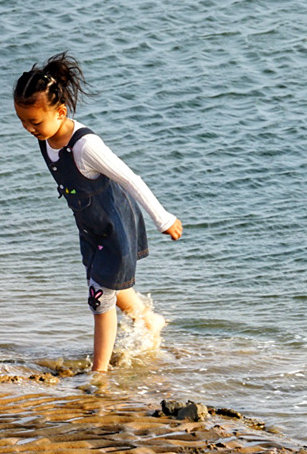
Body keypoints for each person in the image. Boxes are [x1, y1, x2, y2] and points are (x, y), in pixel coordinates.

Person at [14, 54, 183, 374]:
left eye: (35, 122)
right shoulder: (47, 138)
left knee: (99, 298)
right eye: (23, 121)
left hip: (115, 228)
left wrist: (163, 218)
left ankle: (100, 374)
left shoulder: (85, 146)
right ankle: (149, 321)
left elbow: (130, 179)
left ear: (61, 111)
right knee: (108, 285)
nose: (29, 129)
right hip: (91, 229)